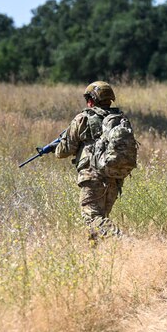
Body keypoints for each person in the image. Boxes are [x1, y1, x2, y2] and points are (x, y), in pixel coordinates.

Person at [55, 81, 126, 242]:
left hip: (92, 177)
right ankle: (94, 256)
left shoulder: (83, 118)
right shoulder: (119, 119)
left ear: (91, 99)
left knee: (92, 218)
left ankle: (128, 243)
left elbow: (63, 151)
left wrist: (56, 148)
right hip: (114, 178)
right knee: (99, 220)